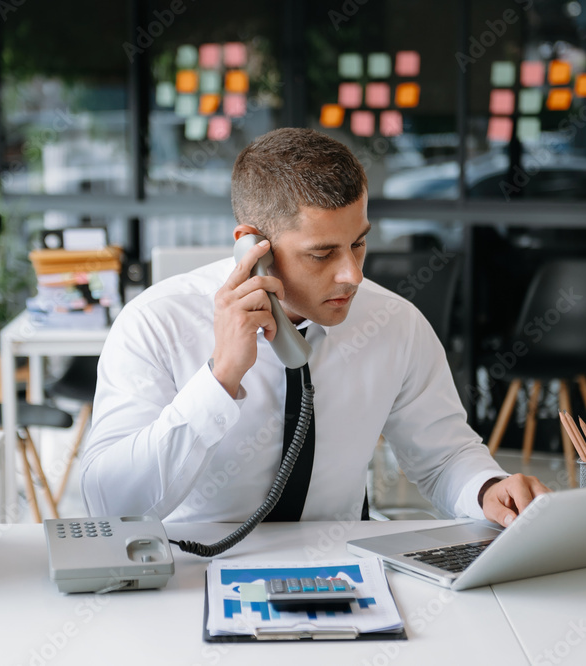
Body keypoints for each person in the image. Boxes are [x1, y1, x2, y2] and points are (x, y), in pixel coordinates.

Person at [81, 128, 549, 529]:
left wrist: (488, 488)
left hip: (344, 569)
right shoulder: (155, 324)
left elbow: (444, 457)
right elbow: (110, 504)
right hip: (193, 574)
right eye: (322, 254)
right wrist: (219, 379)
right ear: (253, 247)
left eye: (359, 244)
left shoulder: (395, 323)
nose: (353, 275)